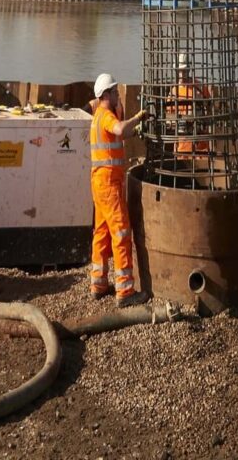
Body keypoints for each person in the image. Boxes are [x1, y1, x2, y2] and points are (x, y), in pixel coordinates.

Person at [89, 71, 145, 305]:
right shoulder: (105, 115)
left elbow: (120, 135)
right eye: (115, 92)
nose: (118, 95)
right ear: (106, 94)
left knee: (101, 233)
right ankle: (125, 293)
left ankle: (98, 284)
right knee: (121, 233)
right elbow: (121, 129)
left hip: (100, 183)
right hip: (109, 184)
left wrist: (135, 129)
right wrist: (139, 117)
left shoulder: (99, 118)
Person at [167, 51, 213, 166]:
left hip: (201, 148)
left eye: (185, 71)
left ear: (189, 70)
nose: (182, 75)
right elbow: (169, 121)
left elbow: (209, 114)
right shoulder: (174, 92)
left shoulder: (200, 88)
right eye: (179, 71)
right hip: (182, 148)